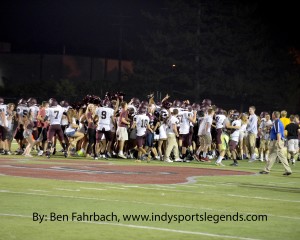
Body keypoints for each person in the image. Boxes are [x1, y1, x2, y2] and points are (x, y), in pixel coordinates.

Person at [259, 111, 292, 175]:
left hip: (276, 141)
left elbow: (278, 132)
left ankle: (288, 170)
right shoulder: (277, 122)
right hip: (276, 140)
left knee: (280, 155)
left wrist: (278, 142)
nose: (271, 115)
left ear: (274, 115)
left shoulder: (277, 122)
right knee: (272, 155)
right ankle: (266, 169)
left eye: (272, 114)